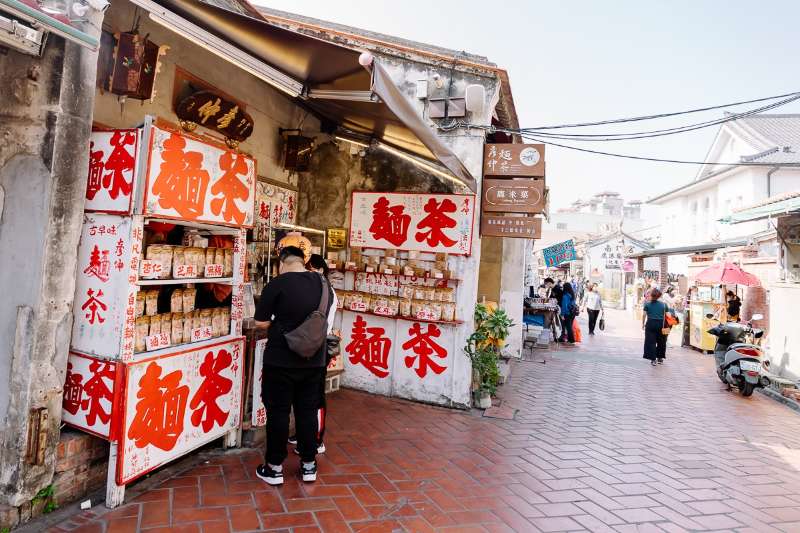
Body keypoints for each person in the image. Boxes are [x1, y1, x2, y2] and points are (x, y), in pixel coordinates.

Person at [254, 246, 334, 485]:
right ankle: (309, 465)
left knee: (278, 412)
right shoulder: (324, 285)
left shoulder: (277, 284)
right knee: (307, 412)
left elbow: (260, 323)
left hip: (281, 360)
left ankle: (274, 468)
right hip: (314, 360)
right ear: (304, 261)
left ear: (282, 263)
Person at [287, 254, 337, 455]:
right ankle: (302, 434)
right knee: (303, 395)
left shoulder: (327, 292)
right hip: (309, 347)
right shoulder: (316, 290)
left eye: (308, 269)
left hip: (318, 347)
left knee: (315, 396)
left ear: (317, 269)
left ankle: (317, 439)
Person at [642, 287, 669, 366]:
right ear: (659, 296)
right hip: (661, 324)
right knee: (662, 342)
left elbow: (644, 315)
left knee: (651, 342)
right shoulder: (664, 305)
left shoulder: (647, 304)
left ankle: (653, 359)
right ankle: (660, 358)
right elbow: (668, 315)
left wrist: (643, 324)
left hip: (650, 323)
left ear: (651, 295)